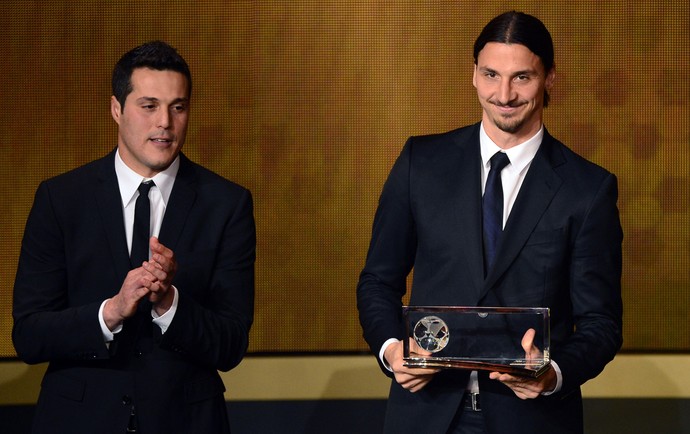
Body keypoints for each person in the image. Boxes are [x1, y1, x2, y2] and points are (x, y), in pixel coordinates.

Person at [357, 11, 623, 434]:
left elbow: (601, 324)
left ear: (550, 78)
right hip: (425, 412)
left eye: (522, 78)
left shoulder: (587, 189)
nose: (504, 94)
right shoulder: (420, 163)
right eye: (491, 74)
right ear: (474, 75)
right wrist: (392, 350)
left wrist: (551, 373)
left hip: (532, 420)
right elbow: (377, 281)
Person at [12, 41, 255, 434]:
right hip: (78, 420)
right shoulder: (61, 199)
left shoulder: (227, 204)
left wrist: (169, 303)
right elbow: (29, 335)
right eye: (149, 106)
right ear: (116, 109)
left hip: (185, 421)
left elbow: (231, 344)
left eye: (178, 107)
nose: (165, 122)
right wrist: (109, 312)